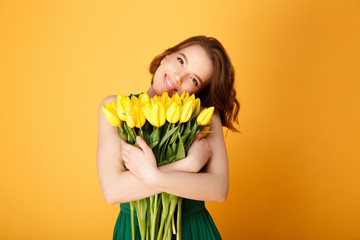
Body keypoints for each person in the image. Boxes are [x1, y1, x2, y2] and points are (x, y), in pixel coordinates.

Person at [97, 35, 240, 240]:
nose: (179, 77)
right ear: (166, 57)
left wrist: (153, 176)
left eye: (194, 79)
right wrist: (187, 164)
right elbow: (113, 191)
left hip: (192, 231)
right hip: (134, 231)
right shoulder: (116, 109)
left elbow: (219, 190)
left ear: (198, 91)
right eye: (181, 61)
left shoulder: (203, 117)